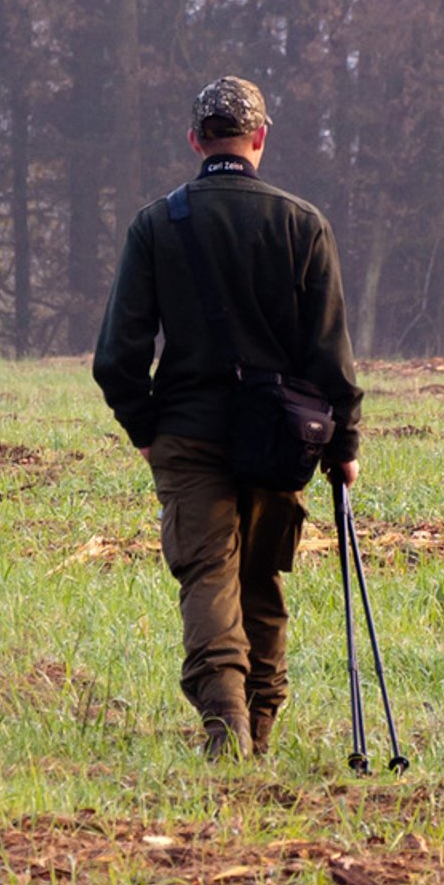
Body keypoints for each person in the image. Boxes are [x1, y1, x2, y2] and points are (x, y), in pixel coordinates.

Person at [93, 76, 362, 759]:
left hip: (186, 431)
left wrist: (145, 427)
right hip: (279, 437)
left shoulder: (157, 224)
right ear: (259, 139)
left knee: (208, 574)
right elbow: (328, 352)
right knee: (260, 578)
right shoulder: (303, 223)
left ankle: (225, 727)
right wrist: (344, 443)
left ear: (195, 140)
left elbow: (116, 354)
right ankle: (261, 730)